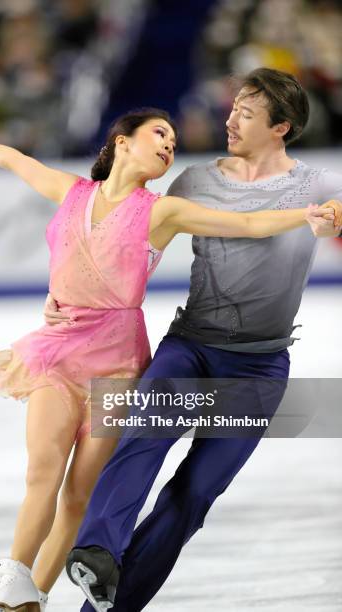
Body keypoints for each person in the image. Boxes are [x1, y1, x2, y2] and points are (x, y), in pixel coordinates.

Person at [0, 92, 339, 612]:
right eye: (160, 135)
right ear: (121, 142)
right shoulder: (72, 192)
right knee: (43, 469)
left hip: (119, 362)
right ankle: (12, 578)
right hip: (57, 352)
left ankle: (30, 596)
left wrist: (306, 215)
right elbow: (19, 161)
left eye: (174, 143)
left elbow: (245, 225)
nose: (170, 147)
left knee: (81, 494)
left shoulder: (163, 210)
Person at [57, 68, 342, 612]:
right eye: (233, 106)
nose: (230, 118)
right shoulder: (193, 182)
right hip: (189, 346)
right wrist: (73, 293)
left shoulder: (319, 184)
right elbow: (119, 235)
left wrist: (331, 221)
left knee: (191, 497)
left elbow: (335, 213)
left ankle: (108, 609)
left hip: (258, 369)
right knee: (143, 438)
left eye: (247, 113)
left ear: (281, 126)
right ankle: (95, 550)